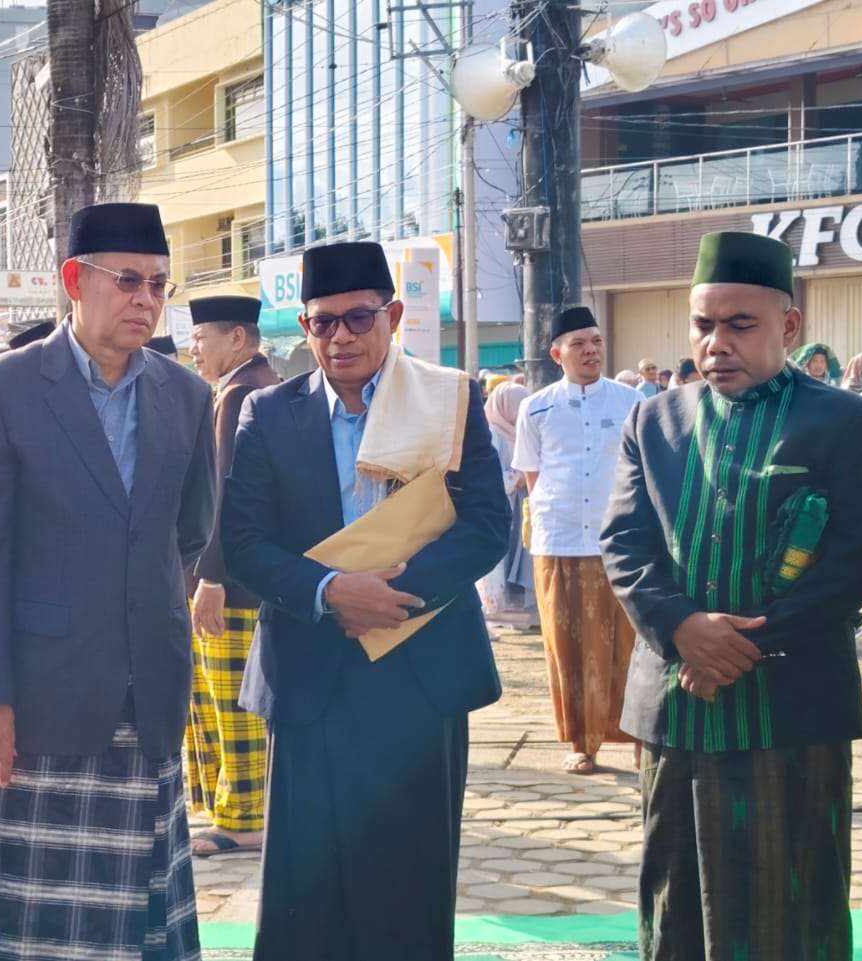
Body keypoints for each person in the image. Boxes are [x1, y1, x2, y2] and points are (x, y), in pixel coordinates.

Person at [601, 231, 862, 961]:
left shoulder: (844, 420)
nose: (716, 342)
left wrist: (736, 644)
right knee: (675, 898)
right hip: (677, 700)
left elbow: (855, 561)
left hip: (790, 703)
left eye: (740, 324)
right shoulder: (655, 418)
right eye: (703, 324)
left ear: (789, 327)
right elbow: (626, 546)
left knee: (794, 896)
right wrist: (683, 629)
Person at [0, 202, 215, 961]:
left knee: (143, 920)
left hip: (147, 695)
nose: (146, 300)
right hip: (38, 706)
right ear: (73, 280)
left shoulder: (185, 395)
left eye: (159, 284)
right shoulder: (4, 389)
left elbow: (187, 533)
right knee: (41, 924)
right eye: (128, 281)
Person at [221, 240, 508, 960]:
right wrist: (330, 591)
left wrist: (394, 595)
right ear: (303, 326)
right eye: (322, 323)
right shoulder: (268, 412)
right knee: (305, 886)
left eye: (358, 318)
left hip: (422, 667)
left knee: (411, 881)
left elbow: (485, 525)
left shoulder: (448, 398)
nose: (341, 336)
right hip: (311, 669)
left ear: (394, 314)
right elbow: (244, 542)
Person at [512, 307, 642, 775]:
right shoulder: (537, 406)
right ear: (557, 353)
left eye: (596, 342)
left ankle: (637, 737)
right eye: (579, 344)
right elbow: (532, 474)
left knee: (627, 642)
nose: (590, 351)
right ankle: (581, 743)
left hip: (620, 539)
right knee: (564, 644)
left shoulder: (631, 402)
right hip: (559, 539)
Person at [182, 295, 279, 858]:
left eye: (202, 338)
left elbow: (225, 491)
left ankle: (243, 820)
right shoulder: (262, 382)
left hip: (234, 582)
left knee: (235, 705)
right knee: (239, 700)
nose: (195, 348)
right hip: (251, 575)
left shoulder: (241, 392)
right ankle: (238, 808)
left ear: (237, 339)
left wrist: (210, 578)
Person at [479, 381, 535, 625]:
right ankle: (497, 605)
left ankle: (519, 603)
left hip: (520, 503)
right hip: (498, 506)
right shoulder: (490, 434)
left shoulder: (523, 431)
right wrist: (518, 477)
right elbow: (486, 477)